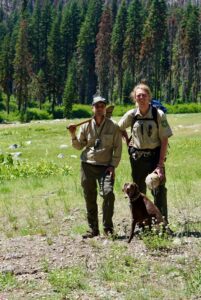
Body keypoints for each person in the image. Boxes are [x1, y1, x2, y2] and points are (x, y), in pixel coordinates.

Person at [68, 96, 122, 238]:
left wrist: (113, 166)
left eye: (102, 106)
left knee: (108, 194)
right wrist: (73, 134)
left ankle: (108, 228)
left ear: (105, 109)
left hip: (105, 167)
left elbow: (118, 148)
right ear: (92, 108)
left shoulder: (113, 126)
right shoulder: (85, 126)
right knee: (89, 197)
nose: (99, 108)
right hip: (88, 166)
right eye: (96, 106)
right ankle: (93, 229)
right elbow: (79, 146)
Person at [118, 83, 173, 222]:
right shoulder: (131, 115)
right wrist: (127, 139)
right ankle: (141, 222)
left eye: (144, 95)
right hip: (137, 159)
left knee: (158, 189)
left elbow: (164, 139)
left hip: (155, 157)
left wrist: (160, 165)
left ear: (149, 97)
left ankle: (162, 222)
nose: (141, 98)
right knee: (137, 192)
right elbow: (118, 127)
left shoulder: (158, 114)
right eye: (138, 96)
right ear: (134, 98)